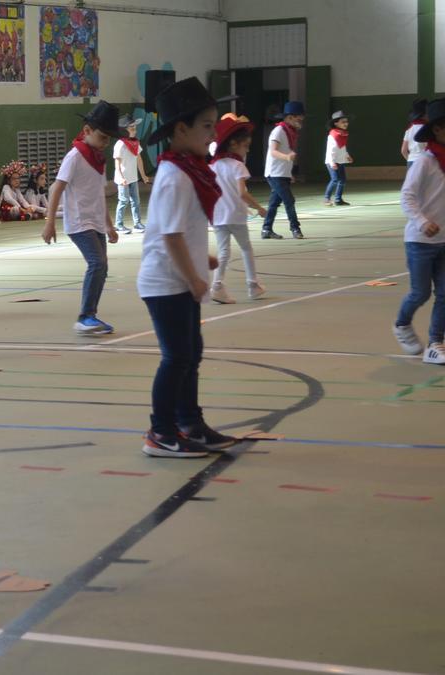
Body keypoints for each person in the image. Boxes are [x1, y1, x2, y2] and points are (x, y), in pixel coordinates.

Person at [137, 77, 239, 458]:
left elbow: (185, 232)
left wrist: (205, 260)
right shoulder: (174, 177)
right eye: (207, 126)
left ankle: (189, 423)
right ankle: (160, 432)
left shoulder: (189, 170)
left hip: (180, 278)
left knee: (191, 354)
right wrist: (196, 276)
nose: (213, 134)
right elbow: (171, 237)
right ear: (181, 129)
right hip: (166, 283)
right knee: (177, 357)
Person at [43, 100, 121, 335]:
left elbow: (99, 195)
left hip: (96, 222)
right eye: (102, 137)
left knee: (102, 267)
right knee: (96, 263)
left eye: (109, 139)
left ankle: (91, 315)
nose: (105, 143)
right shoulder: (75, 156)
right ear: (87, 131)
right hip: (79, 223)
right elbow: (56, 188)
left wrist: (109, 226)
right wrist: (49, 224)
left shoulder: (98, 160)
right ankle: (85, 317)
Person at [392, 97, 445, 365]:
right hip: (420, 241)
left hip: (444, 241)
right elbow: (407, 197)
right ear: (436, 129)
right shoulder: (425, 162)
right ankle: (402, 324)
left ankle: (436, 344)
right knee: (420, 293)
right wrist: (423, 222)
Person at [210, 113, 267, 304]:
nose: (247, 151)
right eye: (246, 146)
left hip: (218, 215)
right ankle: (253, 285)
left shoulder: (213, 165)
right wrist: (258, 207)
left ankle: (217, 285)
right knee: (246, 248)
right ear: (234, 144)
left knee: (223, 251)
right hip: (235, 214)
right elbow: (242, 193)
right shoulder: (238, 166)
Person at [262, 101, 305, 239]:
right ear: (290, 117)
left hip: (282, 173)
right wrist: (287, 157)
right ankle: (295, 228)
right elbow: (273, 151)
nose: (301, 120)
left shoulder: (291, 133)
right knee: (289, 200)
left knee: (274, 203)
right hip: (274, 173)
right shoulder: (279, 131)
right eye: (299, 117)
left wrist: (289, 173)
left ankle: (266, 229)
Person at [113, 116, 151, 233]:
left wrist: (143, 175)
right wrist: (121, 177)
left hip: (133, 178)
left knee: (136, 201)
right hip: (123, 179)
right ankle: (119, 225)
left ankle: (137, 223)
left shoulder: (135, 143)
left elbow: (139, 160)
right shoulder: (120, 144)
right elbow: (117, 164)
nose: (135, 129)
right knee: (123, 201)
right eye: (132, 127)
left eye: (135, 127)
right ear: (124, 130)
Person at [324, 111, 353, 206]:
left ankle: (338, 199)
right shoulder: (333, 135)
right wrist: (332, 163)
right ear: (336, 123)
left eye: (346, 122)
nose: (346, 124)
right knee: (335, 179)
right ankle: (326, 199)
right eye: (343, 122)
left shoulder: (343, 134)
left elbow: (343, 147)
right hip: (332, 162)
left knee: (342, 180)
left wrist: (347, 156)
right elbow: (331, 150)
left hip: (340, 161)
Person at [403, 99, 428, 167]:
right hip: (424, 161)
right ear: (425, 115)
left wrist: (410, 160)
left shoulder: (409, 129)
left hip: (411, 161)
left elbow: (403, 151)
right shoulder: (428, 129)